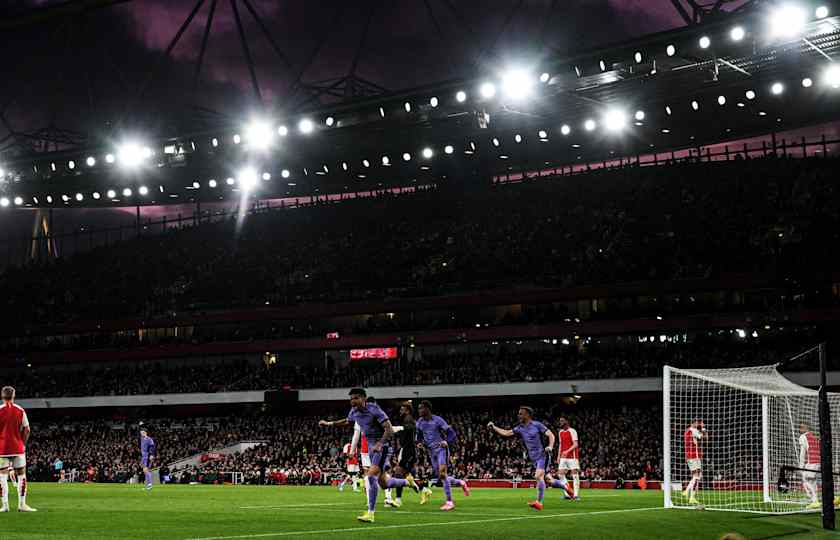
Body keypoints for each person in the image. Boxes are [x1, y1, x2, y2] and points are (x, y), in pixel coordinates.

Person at [319, 388, 418, 523]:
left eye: (355, 398)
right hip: (371, 448)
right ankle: (408, 482)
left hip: (381, 447)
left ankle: (370, 513)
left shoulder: (374, 409)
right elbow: (348, 421)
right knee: (384, 483)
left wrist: (379, 444)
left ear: (363, 399)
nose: (352, 401)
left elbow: (388, 429)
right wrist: (329, 423)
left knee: (370, 476)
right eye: (351, 399)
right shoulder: (354, 411)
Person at [487, 406, 572, 510]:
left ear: (527, 414)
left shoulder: (537, 425)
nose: (519, 415)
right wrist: (494, 427)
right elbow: (507, 433)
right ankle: (565, 486)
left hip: (543, 455)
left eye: (521, 413)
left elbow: (551, 435)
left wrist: (550, 446)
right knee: (549, 480)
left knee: (538, 476)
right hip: (534, 459)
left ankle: (539, 503)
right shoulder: (520, 428)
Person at [415, 400, 469, 511]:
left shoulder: (437, 420)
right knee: (441, 476)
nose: (419, 410)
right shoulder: (419, 422)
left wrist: (447, 442)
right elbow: (419, 436)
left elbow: (452, 433)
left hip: (441, 449)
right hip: (431, 451)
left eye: (421, 408)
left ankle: (449, 502)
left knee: (443, 474)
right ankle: (461, 482)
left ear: (427, 409)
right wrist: (419, 443)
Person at [0, 386, 36, 512]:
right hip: (17, 448)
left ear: (2, 396)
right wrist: (23, 443)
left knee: (2, 477)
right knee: (22, 475)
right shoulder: (20, 410)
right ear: (13, 396)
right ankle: (22, 505)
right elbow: (27, 429)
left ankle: (5, 506)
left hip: (2, 449)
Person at [391, 401, 433, 507]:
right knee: (406, 476)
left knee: (398, 474)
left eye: (402, 409)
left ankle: (398, 499)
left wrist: (399, 428)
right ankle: (424, 490)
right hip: (407, 449)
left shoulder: (408, 419)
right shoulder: (405, 419)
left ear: (407, 410)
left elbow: (411, 428)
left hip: (408, 450)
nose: (400, 411)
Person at [556, 417, 581, 500]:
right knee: (560, 475)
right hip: (563, 457)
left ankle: (576, 495)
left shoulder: (572, 431)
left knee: (574, 475)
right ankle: (567, 493)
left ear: (567, 421)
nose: (560, 422)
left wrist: (567, 451)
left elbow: (575, 444)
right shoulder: (560, 432)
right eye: (560, 421)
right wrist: (558, 456)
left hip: (572, 457)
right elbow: (560, 445)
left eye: (562, 421)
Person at [682, 419, 706, 505]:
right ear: (692, 423)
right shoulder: (694, 430)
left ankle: (687, 492)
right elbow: (704, 437)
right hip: (694, 456)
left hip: (688, 456)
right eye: (696, 423)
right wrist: (703, 428)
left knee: (695, 476)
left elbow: (693, 442)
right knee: (697, 476)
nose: (698, 424)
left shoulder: (687, 431)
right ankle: (690, 495)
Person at [798, 423, 820, 509]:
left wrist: (801, 465)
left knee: (805, 480)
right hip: (819, 462)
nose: (799, 429)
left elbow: (802, 453)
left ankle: (814, 500)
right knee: (813, 482)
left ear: (805, 428)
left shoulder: (803, 437)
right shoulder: (814, 436)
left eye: (800, 427)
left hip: (812, 462)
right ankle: (814, 500)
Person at [139, 423, 157, 491]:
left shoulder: (149, 439)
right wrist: (141, 425)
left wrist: (152, 455)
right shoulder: (142, 438)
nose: (141, 433)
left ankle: (150, 485)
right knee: (144, 470)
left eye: (143, 432)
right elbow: (140, 430)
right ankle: (147, 485)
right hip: (143, 456)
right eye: (141, 432)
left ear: (146, 433)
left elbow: (152, 447)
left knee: (146, 470)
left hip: (147, 456)